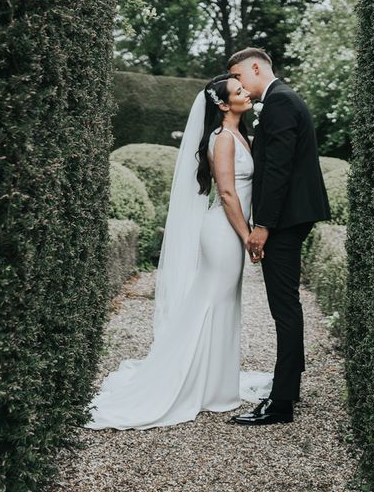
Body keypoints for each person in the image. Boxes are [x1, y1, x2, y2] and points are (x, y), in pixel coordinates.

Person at [85, 74, 272, 430]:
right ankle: (190, 383)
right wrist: (248, 235)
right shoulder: (222, 139)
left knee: (223, 305)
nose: (246, 92)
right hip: (224, 231)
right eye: (238, 91)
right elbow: (229, 194)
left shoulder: (241, 135)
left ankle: (216, 386)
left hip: (231, 231)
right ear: (222, 104)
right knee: (210, 304)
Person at [226, 47, 331, 426]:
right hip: (289, 217)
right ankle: (289, 388)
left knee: (284, 308)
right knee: (286, 306)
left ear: (256, 67)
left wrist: (263, 226)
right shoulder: (279, 100)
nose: (237, 84)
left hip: (284, 221)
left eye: (238, 76)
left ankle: (281, 402)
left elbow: (279, 170)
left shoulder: (281, 102)